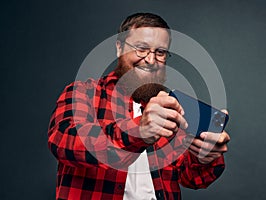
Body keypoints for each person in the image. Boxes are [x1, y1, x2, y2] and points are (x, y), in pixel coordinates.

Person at [48, 12, 230, 200]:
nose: (151, 60)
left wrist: (205, 157)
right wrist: (139, 131)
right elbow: (63, 142)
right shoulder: (83, 92)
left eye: (160, 52)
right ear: (119, 48)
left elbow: (193, 179)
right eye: (141, 49)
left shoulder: (170, 107)